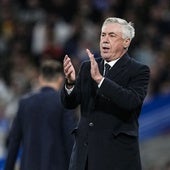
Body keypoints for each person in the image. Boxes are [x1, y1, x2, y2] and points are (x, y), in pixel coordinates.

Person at [61, 17, 150, 170]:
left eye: (112, 35)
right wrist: (70, 83)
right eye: (103, 35)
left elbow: (132, 101)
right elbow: (70, 103)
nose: (105, 40)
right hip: (83, 157)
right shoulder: (87, 67)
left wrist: (100, 80)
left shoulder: (138, 70)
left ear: (126, 42)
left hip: (116, 157)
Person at [4, 59, 76, 170]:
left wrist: (8, 167)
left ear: (40, 79)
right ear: (60, 79)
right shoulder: (64, 103)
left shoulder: (25, 103)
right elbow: (70, 140)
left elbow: (14, 141)